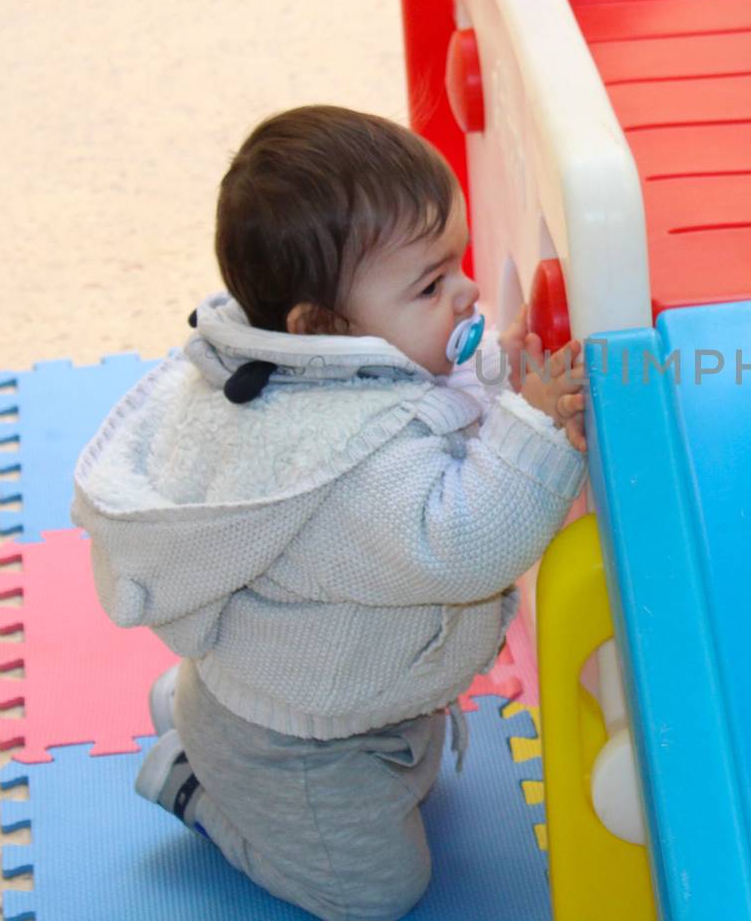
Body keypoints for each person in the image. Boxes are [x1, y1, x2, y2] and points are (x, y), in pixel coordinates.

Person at [71, 105, 586, 921]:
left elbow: (439, 392)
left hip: (354, 695)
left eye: (457, 262)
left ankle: (197, 708)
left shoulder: (339, 363)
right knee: (376, 894)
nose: (465, 291)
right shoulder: (340, 471)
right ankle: (197, 782)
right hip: (304, 745)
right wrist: (536, 428)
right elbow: (461, 544)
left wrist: (506, 373)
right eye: (429, 284)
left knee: (413, 792)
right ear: (323, 327)